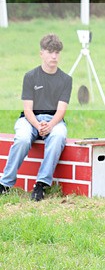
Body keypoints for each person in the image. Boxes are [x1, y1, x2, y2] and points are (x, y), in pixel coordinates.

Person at [0, 34, 72, 201]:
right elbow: (27, 109)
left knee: (58, 137)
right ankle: (5, 183)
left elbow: (61, 110)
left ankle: (41, 184)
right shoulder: (30, 76)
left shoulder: (66, 80)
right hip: (30, 119)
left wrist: (50, 125)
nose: (54, 56)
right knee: (22, 139)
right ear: (42, 54)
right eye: (50, 52)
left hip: (54, 120)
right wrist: (38, 125)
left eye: (57, 52)